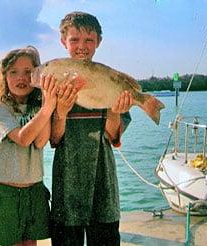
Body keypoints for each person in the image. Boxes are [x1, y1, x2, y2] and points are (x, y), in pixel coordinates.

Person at [50, 12, 134, 245]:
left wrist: (115, 110)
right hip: (67, 182)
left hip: (102, 178)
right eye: (74, 40)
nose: (81, 46)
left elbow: (112, 135)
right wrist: (61, 111)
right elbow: (54, 139)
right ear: (63, 42)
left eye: (89, 40)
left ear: (98, 42)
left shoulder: (110, 78)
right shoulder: (54, 80)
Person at [0, 46, 57, 246]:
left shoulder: (40, 108)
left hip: (34, 190)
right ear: (4, 77)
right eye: (13, 72)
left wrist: (46, 99)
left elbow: (40, 141)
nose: (21, 78)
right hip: (7, 192)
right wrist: (47, 109)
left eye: (28, 72)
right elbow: (23, 138)